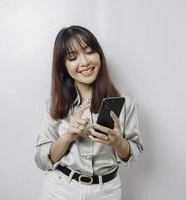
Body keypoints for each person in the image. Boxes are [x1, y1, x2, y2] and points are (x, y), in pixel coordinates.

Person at [35, 25, 143, 200]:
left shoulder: (125, 99)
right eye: (72, 57)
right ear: (64, 66)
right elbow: (41, 160)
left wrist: (117, 142)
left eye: (89, 52)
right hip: (60, 190)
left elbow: (134, 151)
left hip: (106, 191)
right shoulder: (54, 104)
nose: (84, 62)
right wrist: (68, 136)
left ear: (99, 54)